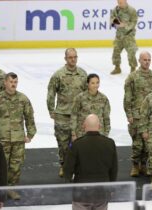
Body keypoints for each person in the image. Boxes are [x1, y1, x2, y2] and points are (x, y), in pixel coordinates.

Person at [0, 72, 36, 200]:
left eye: (15, 82)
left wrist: (30, 134)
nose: (13, 84)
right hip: (1, 139)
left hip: (18, 139)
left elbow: (29, 117)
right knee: (1, 166)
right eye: (11, 82)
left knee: (16, 166)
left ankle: (11, 188)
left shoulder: (23, 99)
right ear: (5, 82)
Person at [47, 48, 87, 177]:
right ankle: (64, 166)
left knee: (79, 143)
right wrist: (51, 110)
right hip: (62, 115)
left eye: (75, 57)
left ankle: (77, 166)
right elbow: (51, 93)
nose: (73, 59)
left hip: (79, 115)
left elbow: (87, 94)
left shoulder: (82, 74)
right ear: (65, 58)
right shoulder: (58, 75)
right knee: (63, 143)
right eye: (70, 57)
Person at [64, 114, 118, 210]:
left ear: (84, 126)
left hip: (81, 194)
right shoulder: (110, 143)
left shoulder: (77, 145)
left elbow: (68, 169)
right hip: (102, 192)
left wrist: (69, 186)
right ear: (99, 126)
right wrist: (111, 188)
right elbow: (114, 169)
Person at [123, 51, 152, 177]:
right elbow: (127, 97)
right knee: (137, 144)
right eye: (144, 60)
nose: (147, 62)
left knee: (148, 144)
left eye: (149, 60)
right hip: (137, 116)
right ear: (139, 60)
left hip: (150, 116)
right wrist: (129, 114)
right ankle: (135, 165)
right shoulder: (132, 77)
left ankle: (144, 165)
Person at [71, 74, 111, 141]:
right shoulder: (80, 98)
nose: (95, 85)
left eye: (97, 82)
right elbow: (74, 115)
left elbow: (106, 118)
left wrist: (106, 135)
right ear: (87, 84)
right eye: (92, 83)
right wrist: (73, 134)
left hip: (99, 134)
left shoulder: (104, 99)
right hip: (82, 134)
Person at [110, 0, 138, 74]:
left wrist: (125, 25)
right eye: (118, 2)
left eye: (121, 2)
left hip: (128, 35)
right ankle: (117, 67)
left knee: (131, 52)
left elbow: (134, 22)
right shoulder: (116, 9)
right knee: (116, 52)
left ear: (125, 1)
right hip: (119, 35)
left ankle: (133, 68)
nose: (119, 4)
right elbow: (112, 18)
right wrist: (116, 22)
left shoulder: (131, 10)